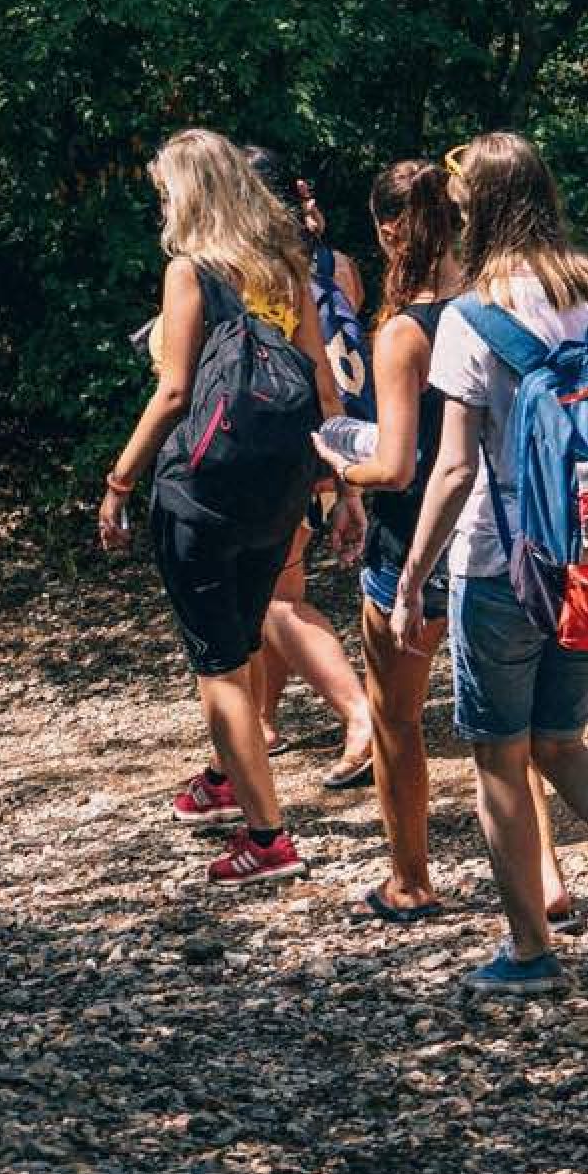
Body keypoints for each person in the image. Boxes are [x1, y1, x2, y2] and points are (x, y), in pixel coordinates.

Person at [390, 132, 588, 997]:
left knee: (499, 756)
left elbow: (454, 469)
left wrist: (413, 578)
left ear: (473, 213)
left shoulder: (468, 317)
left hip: (500, 567)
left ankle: (529, 953)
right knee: (563, 742)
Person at [312, 158, 579, 929]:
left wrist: (338, 464)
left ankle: (411, 879)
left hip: (417, 548)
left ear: (390, 229)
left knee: (396, 718)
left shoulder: (405, 332)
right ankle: (548, 879)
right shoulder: (495, 304)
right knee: (511, 727)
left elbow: (398, 466)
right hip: (505, 536)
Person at [98, 129, 367, 889]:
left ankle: (267, 838)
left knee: (216, 665)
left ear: (187, 193)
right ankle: (226, 782)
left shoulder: (191, 272)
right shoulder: (284, 265)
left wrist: (120, 483)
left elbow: (175, 391)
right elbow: (323, 384)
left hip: (203, 487)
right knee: (243, 637)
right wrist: (344, 487)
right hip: (281, 485)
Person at [240, 146, 376, 789]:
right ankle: (262, 719)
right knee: (280, 585)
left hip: (290, 443)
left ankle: (359, 714)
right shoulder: (337, 263)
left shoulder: (254, 274)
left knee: (275, 597)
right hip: (346, 438)